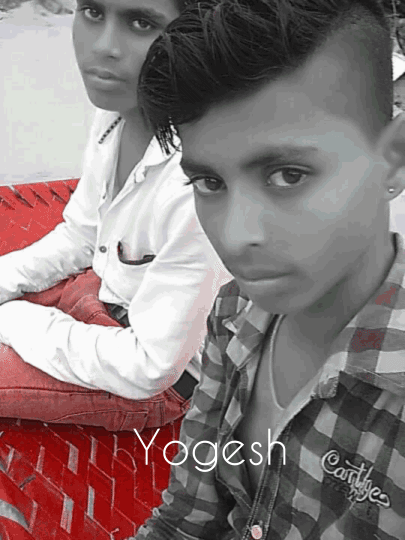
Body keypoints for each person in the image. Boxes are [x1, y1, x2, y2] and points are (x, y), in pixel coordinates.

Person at [129, 0, 405, 538]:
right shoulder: (235, 312)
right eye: (209, 183)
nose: (235, 235)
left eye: (288, 175)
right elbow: (187, 517)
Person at [0, 0, 230, 432]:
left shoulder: (200, 185)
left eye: (141, 23)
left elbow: (150, 367)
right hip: (101, 297)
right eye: (91, 12)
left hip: (152, 380)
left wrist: (12, 318)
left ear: (195, 33)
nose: (104, 47)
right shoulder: (117, 112)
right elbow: (82, 235)